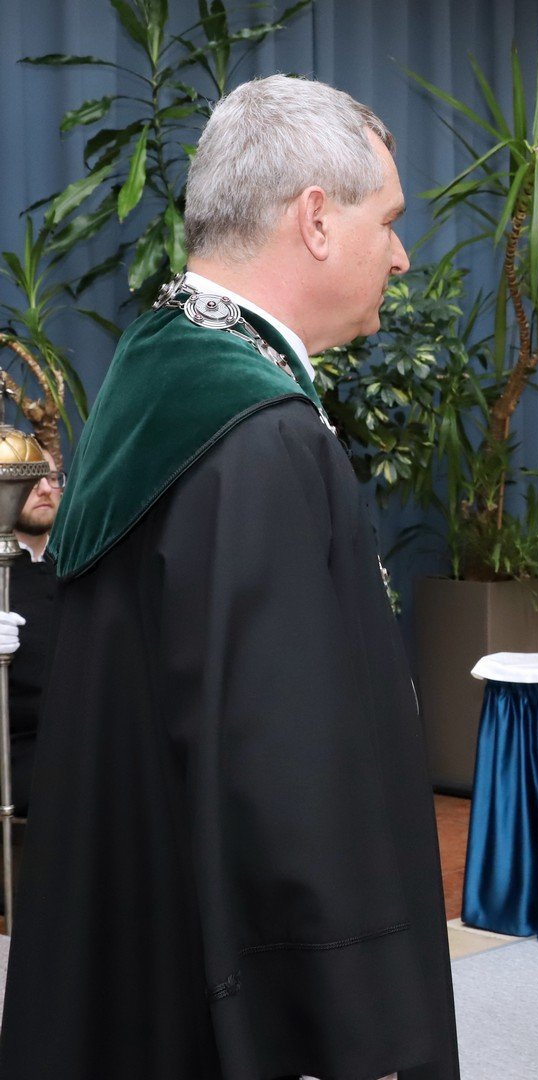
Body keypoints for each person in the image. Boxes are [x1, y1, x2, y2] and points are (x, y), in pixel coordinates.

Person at [0, 76, 458, 1080]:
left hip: (144, 933)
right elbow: (287, 767)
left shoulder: (157, 364)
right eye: (388, 221)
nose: (400, 256)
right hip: (233, 982)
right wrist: (352, 1028)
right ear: (316, 219)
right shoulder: (259, 435)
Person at [6, 450, 64, 821]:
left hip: (89, 751)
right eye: (29, 480)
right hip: (18, 766)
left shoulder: (81, 564)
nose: (45, 489)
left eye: (53, 477)